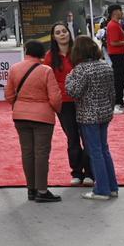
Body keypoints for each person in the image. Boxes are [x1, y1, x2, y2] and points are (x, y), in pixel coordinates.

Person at [6, 40, 63, 203]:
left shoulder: (14, 68)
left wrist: (18, 105)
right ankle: (42, 190)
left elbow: (9, 94)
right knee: (41, 154)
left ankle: (30, 189)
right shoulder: (46, 71)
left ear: (26, 51)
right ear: (43, 54)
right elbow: (55, 97)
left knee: (27, 152)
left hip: (20, 116)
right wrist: (55, 109)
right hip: (42, 117)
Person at [66, 35, 119, 200]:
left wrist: (69, 78)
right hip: (104, 114)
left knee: (95, 152)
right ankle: (112, 187)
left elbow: (74, 92)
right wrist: (109, 110)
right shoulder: (105, 66)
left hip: (88, 116)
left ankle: (101, 189)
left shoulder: (81, 69)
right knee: (104, 150)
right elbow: (112, 93)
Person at [43, 23, 92, 186]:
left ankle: (89, 173)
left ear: (69, 33)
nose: (62, 34)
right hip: (63, 103)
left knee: (87, 137)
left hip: (82, 100)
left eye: (64, 31)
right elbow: (47, 81)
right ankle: (77, 172)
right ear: (53, 37)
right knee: (72, 138)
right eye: (58, 32)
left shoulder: (78, 52)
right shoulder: (50, 56)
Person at [104, 4, 124, 113]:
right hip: (117, 56)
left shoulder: (116, 24)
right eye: (120, 10)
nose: (122, 13)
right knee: (119, 79)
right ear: (115, 12)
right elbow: (113, 42)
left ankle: (120, 102)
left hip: (120, 54)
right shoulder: (112, 25)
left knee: (121, 79)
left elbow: (118, 41)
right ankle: (116, 103)